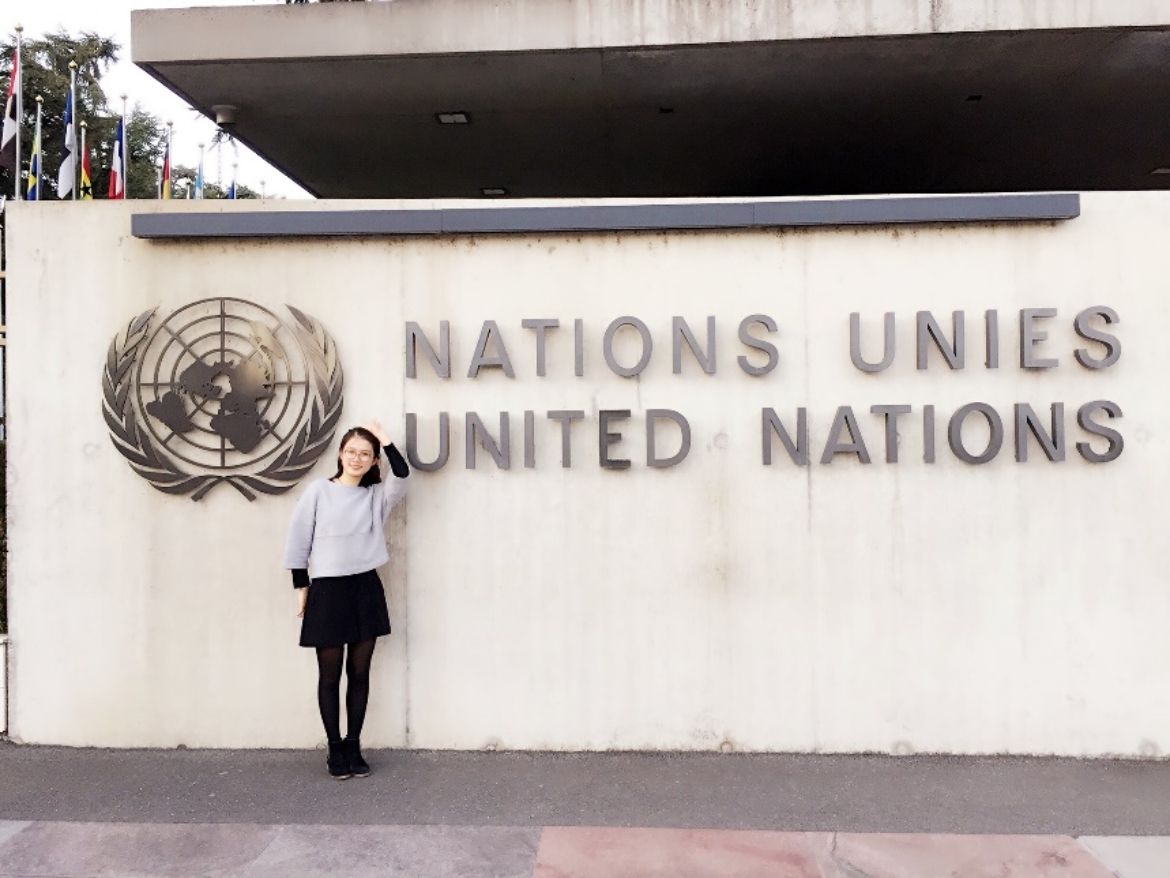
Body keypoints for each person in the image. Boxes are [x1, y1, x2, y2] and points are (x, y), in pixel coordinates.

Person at [284, 419, 410, 779]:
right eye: (351, 451)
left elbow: (402, 475)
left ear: (373, 461)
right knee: (329, 675)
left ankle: (354, 745)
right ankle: (334, 747)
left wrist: (385, 440)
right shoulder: (318, 491)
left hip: (365, 588)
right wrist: (302, 589)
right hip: (327, 590)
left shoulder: (375, 496)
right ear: (340, 454)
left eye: (365, 454)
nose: (357, 458)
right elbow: (298, 539)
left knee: (359, 672)